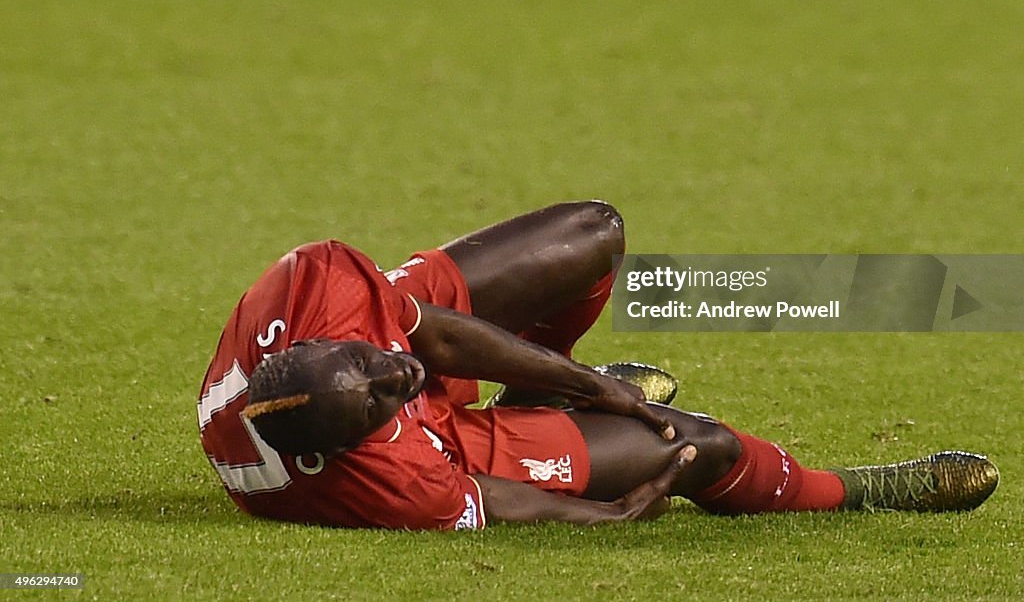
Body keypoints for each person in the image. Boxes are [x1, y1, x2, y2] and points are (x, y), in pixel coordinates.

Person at [197, 201, 999, 530]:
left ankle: (538, 397)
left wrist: (590, 383)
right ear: (354, 442)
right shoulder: (391, 477)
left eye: (370, 362)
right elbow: (494, 499)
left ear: (312, 340)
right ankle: (861, 487)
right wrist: (605, 515)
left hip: (341, 364)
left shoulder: (321, 285)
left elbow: (430, 340)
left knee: (595, 235)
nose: (394, 378)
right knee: (699, 448)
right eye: (377, 401)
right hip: (434, 446)